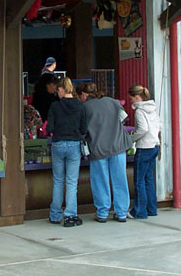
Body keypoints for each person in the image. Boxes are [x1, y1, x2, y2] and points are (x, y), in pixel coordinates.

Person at [77, 81, 132, 223]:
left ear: (84, 94)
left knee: (100, 181)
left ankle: (102, 213)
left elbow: (82, 131)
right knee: (120, 179)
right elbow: (124, 119)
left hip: (98, 148)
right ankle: (121, 213)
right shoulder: (113, 102)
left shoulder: (85, 108)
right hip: (118, 146)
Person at [47, 77, 87, 227]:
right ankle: (70, 216)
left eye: (57, 89)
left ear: (62, 89)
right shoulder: (80, 106)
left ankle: (55, 215)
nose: (57, 92)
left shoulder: (55, 106)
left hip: (58, 144)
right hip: (74, 144)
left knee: (58, 181)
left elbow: (49, 128)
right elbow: (84, 129)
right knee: (71, 182)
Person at [128, 85, 161, 219]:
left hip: (144, 147)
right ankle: (151, 209)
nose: (131, 102)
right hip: (155, 145)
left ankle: (139, 211)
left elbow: (142, 129)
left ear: (137, 97)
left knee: (139, 181)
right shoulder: (153, 109)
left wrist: (130, 139)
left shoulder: (140, 111)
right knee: (149, 180)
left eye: (131, 99)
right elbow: (160, 126)